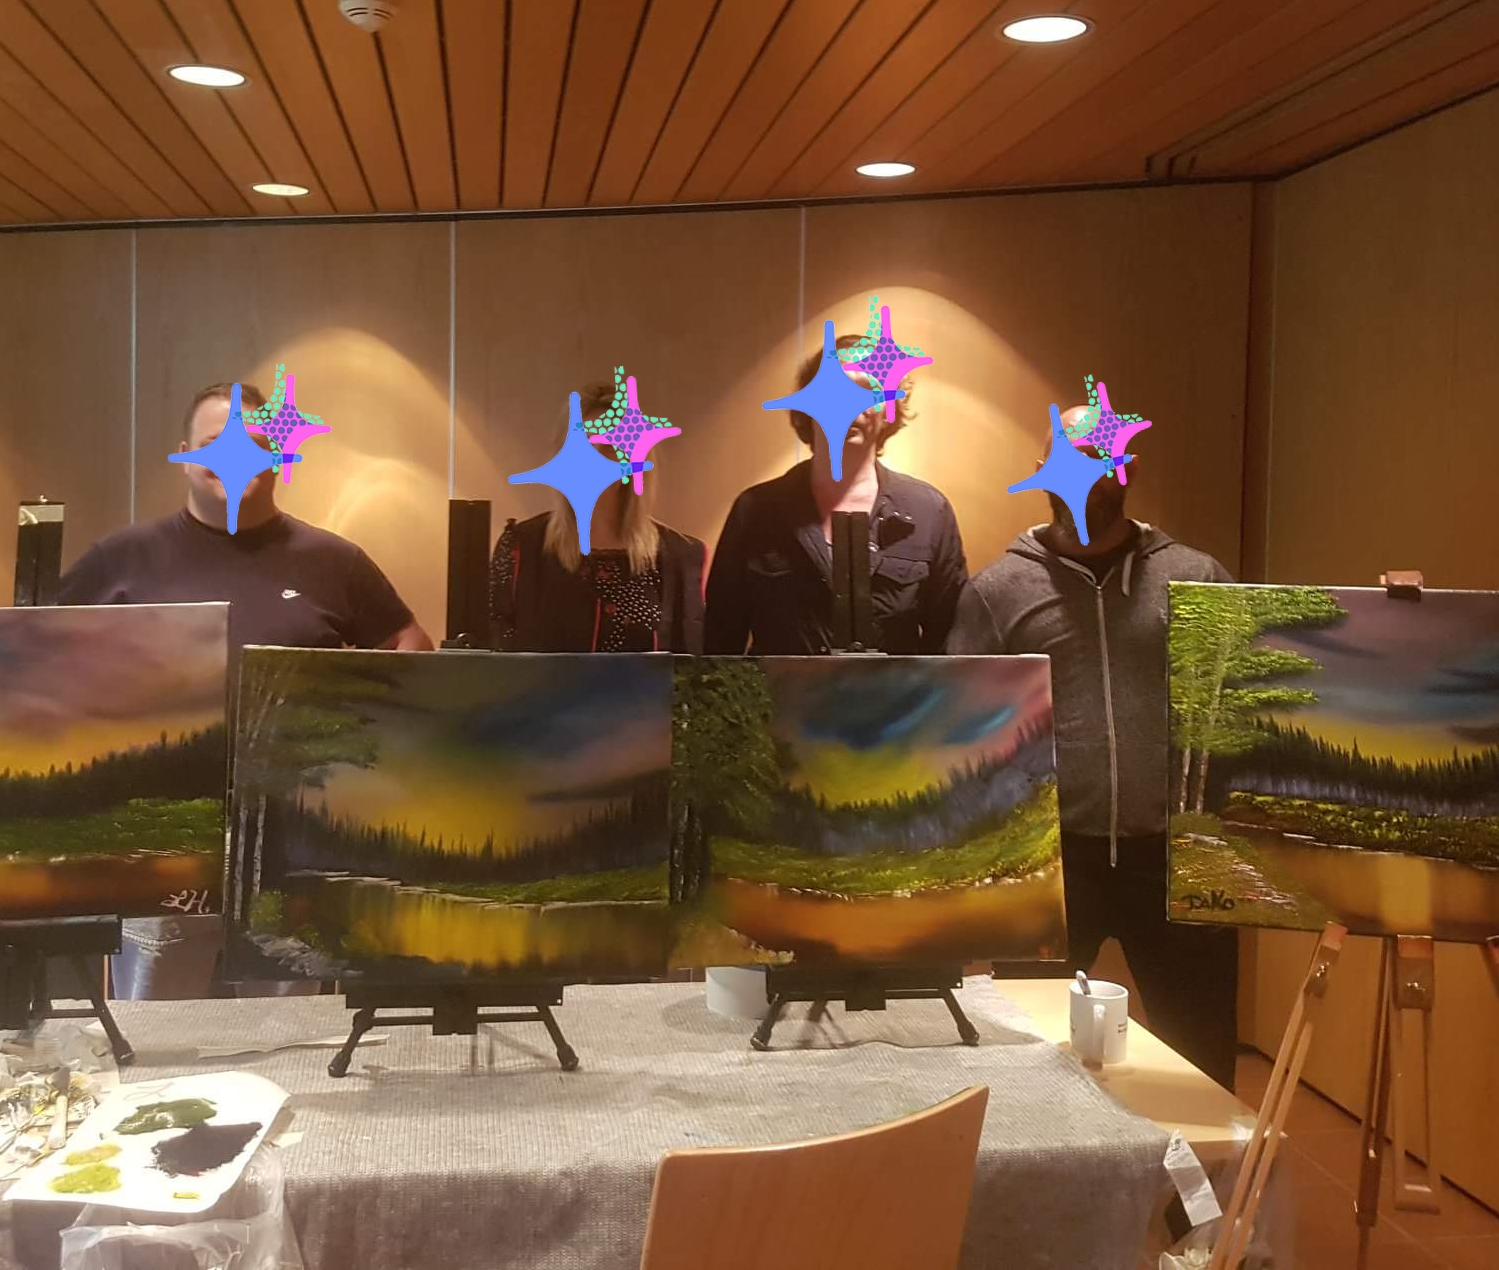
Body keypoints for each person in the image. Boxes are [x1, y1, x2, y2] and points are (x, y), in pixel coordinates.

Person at [60, 378, 432, 998]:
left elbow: (410, 642)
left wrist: (361, 726)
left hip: (296, 836)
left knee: (288, 1030)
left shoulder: (334, 561)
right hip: (161, 837)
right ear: (186, 454)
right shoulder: (121, 558)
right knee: (157, 1024)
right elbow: (45, 657)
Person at [947, 400, 1239, 1086]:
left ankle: (1195, 1163)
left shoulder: (1197, 579)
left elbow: (1257, 694)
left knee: (1200, 1054)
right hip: (1051, 861)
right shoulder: (996, 593)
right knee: (1028, 1053)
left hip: (1173, 858)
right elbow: (966, 737)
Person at [704, 334, 966, 655]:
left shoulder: (928, 512)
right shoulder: (756, 511)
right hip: (780, 690)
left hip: (895, 690)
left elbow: (950, 646)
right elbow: (720, 644)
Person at [488, 377, 706, 652]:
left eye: (609, 447)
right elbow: (492, 657)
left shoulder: (679, 555)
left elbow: (690, 666)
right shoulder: (522, 547)